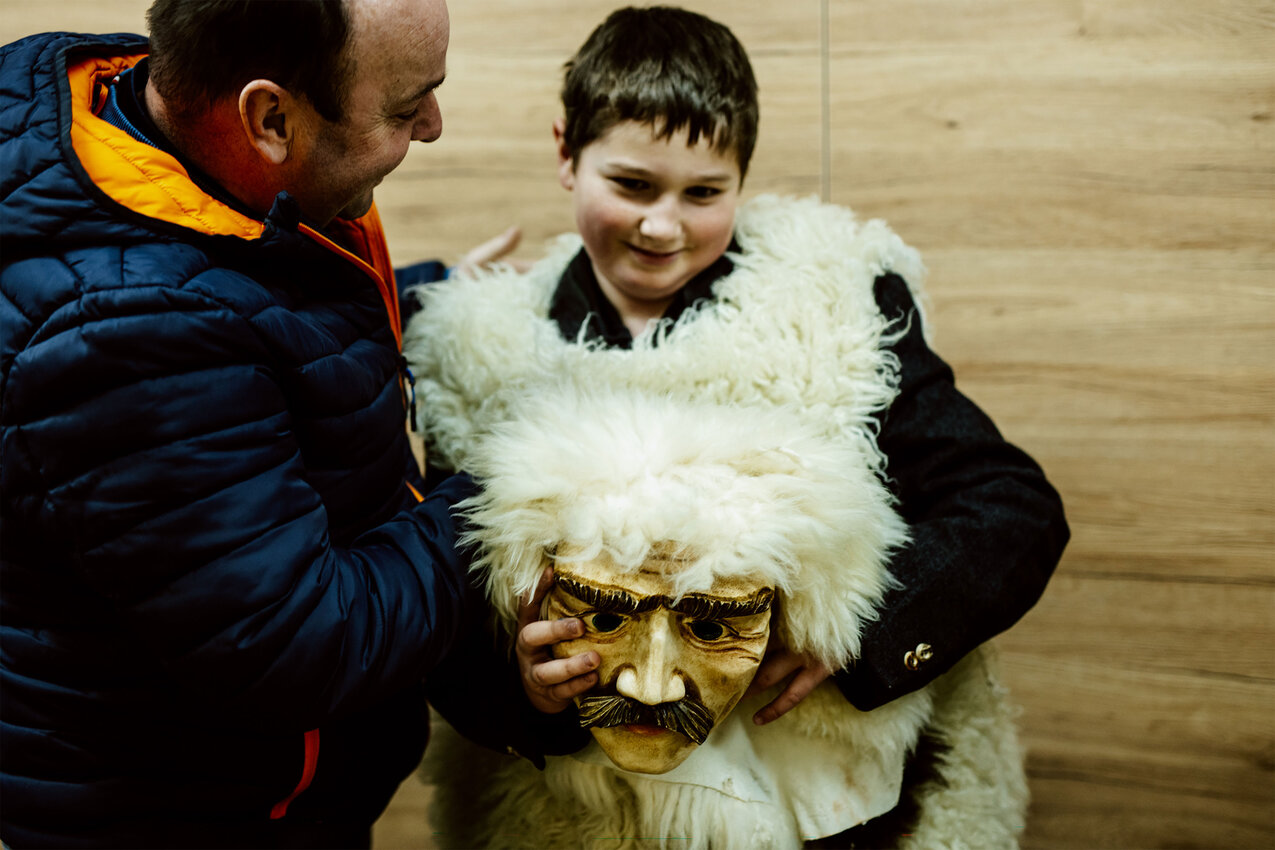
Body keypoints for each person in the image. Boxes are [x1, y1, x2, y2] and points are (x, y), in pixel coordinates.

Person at [403, 5, 1069, 842]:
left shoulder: (831, 308)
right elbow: (447, 599)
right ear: (566, 153)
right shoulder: (480, 351)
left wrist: (855, 628)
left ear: (741, 179)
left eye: (703, 193)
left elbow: (1009, 507)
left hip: (830, 808)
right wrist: (522, 687)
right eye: (631, 185)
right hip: (581, 815)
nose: (661, 225)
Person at [0, 1, 552, 847]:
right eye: (406, 106)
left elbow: (236, 315)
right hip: (191, 819)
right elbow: (299, 642)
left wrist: (417, 295)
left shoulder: (136, 121)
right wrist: (512, 487)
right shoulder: (129, 334)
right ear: (269, 118)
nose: (433, 125)